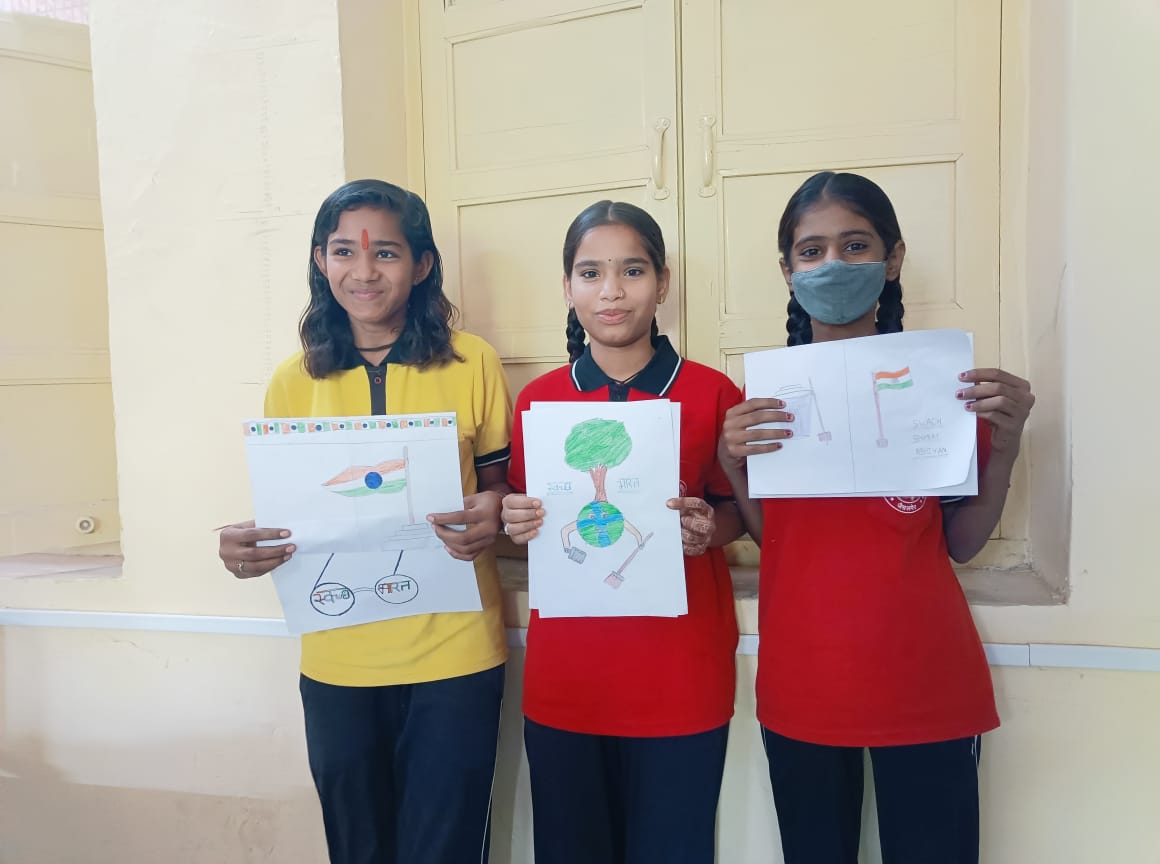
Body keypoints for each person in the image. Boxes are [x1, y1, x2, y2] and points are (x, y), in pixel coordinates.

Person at [719, 171, 1035, 864]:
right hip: (805, 680)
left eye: (855, 245)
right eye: (812, 251)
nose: (833, 264)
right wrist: (733, 465)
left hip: (926, 681)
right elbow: (780, 543)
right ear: (788, 271)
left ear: (893, 259)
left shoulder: (943, 391)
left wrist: (1005, 446)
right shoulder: (765, 404)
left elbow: (962, 544)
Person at [217, 179, 512, 864]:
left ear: (422, 264)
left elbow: (500, 491)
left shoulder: (473, 363)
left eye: (386, 252)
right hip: (337, 659)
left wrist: (493, 512)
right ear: (321, 261)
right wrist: (247, 548)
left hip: (456, 654)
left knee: (445, 851)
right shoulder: (293, 381)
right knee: (358, 850)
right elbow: (293, 515)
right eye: (344, 251)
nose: (364, 271)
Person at [501, 201, 744, 864]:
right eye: (590, 273)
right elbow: (526, 515)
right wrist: (514, 518)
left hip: (681, 674)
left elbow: (734, 512)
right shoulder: (539, 400)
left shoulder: (712, 392)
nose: (611, 290)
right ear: (568, 287)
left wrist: (709, 527)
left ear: (662, 284)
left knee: (675, 847)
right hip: (567, 680)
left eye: (632, 271)